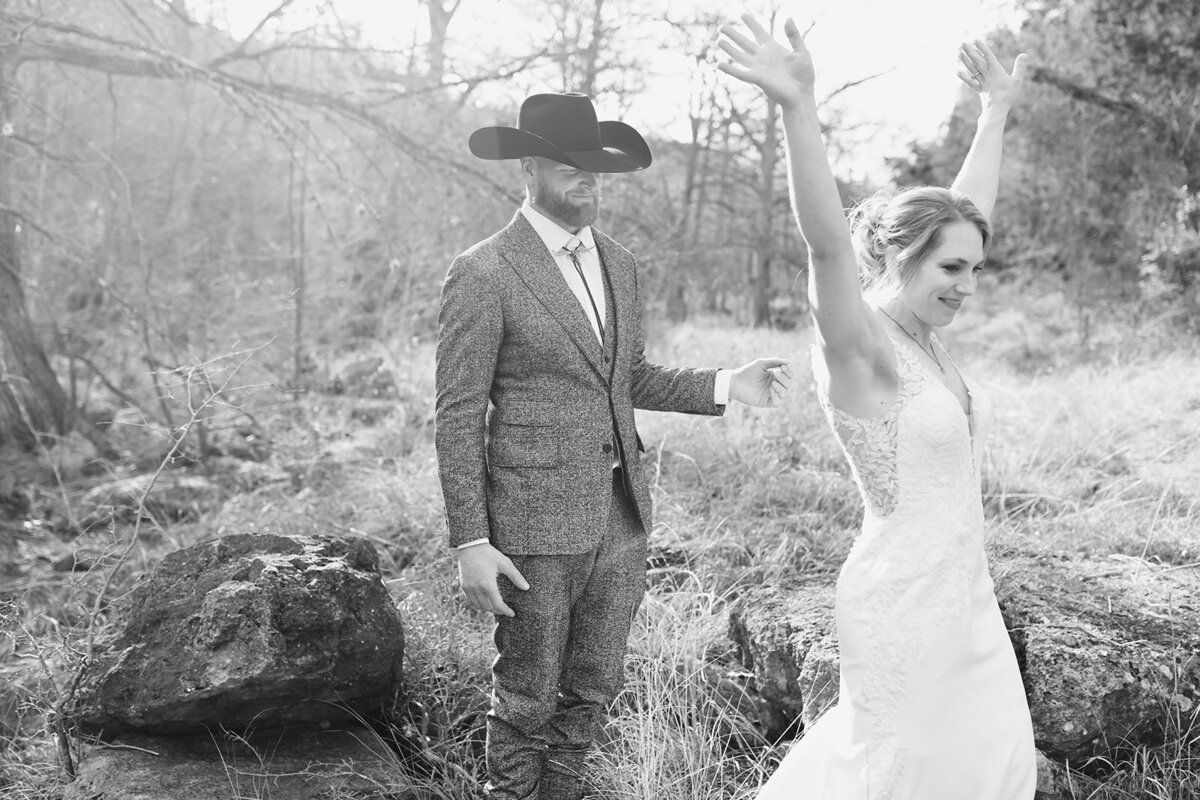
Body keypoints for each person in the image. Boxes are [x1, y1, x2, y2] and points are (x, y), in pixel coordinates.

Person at [434, 91, 791, 800]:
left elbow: (627, 377)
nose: (587, 179)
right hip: (532, 523)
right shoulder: (485, 270)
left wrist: (727, 383)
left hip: (622, 516)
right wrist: (470, 540)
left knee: (592, 691)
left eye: (596, 166)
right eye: (571, 165)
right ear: (530, 167)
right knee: (528, 696)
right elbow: (457, 413)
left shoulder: (621, 263)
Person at [717, 14, 1036, 800]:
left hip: (968, 598)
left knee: (990, 770)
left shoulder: (924, 327)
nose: (968, 285)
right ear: (899, 257)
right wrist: (797, 106)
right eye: (953, 270)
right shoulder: (862, 346)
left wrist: (994, 111)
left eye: (976, 268)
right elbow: (827, 246)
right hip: (902, 605)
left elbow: (962, 212)